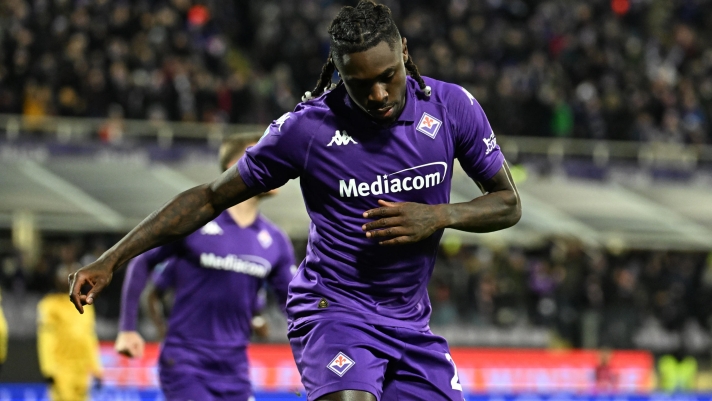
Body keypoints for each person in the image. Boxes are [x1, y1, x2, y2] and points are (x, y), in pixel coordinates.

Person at [69, 1, 522, 400]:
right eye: (360, 83)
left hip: (410, 323)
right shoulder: (306, 130)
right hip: (335, 311)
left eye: (388, 77)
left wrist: (440, 216)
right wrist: (111, 259)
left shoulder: (451, 108)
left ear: (404, 51)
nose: (379, 95)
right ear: (338, 72)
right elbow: (208, 198)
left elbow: (507, 202)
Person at [113, 135, 296, 401]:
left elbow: (292, 304)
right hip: (186, 364)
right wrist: (128, 328)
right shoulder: (194, 222)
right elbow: (142, 261)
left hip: (235, 369)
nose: (282, 165)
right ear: (240, 163)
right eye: (272, 157)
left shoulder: (276, 241)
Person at [39, 265, 102, 401]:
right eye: (63, 277)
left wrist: (96, 369)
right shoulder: (50, 305)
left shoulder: (86, 304)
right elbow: (46, 338)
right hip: (61, 369)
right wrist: (48, 368)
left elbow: (90, 338)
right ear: (56, 280)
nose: (66, 281)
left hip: (82, 370)